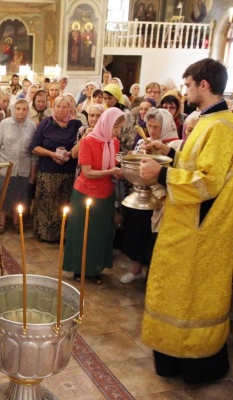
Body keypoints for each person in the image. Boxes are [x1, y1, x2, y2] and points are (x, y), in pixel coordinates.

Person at [139, 58, 233, 384]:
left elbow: (208, 182)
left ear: (203, 85)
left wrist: (162, 173)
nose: (186, 91)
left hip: (200, 231)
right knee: (174, 291)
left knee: (190, 296)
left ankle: (193, 366)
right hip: (186, 223)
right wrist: (168, 154)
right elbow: (196, 164)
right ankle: (172, 361)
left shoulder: (220, 126)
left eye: (189, 85)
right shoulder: (208, 120)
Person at [63, 108, 124, 284]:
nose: (117, 132)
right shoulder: (88, 141)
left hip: (105, 193)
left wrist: (118, 172)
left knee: (100, 233)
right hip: (85, 192)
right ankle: (79, 268)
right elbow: (87, 172)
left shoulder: (114, 142)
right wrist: (112, 171)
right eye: (116, 128)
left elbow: (112, 167)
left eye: (120, 128)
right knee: (83, 232)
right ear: (106, 124)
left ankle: (95, 268)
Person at [30, 95, 81, 242]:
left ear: (70, 109)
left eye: (64, 107)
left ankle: (63, 234)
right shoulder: (46, 123)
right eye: (58, 106)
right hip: (48, 171)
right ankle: (45, 234)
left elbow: (81, 145)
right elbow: (34, 147)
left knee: (64, 204)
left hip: (68, 171)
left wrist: (69, 154)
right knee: (47, 204)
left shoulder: (76, 125)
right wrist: (52, 154)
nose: (61, 109)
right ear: (53, 107)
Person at [0, 99, 36, 232]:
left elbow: (34, 151)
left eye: (24, 109)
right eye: (18, 108)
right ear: (13, 109)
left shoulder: (32, 126)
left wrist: (33, 170)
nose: (21, 111)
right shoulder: (5, 124)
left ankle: (17, 222)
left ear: (28, 111)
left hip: (24, 167)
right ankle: (1, 223)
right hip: (6, 166)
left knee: (20, 196)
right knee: (3, 195)